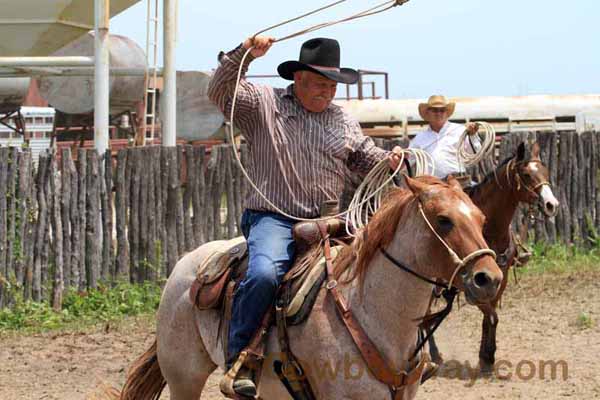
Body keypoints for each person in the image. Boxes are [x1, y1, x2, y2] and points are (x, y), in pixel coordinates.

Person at [208, 36, 402, 397]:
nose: (327, 93)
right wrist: (245, 53)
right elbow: (220, 91)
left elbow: (363, 156)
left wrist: (390, 160)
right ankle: (241, 357)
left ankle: (394, 353)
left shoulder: (341, 119)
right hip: (275, 219)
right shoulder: (264, 105)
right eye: (320, 84)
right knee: (265, 273)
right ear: (298, 79)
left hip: (332, 221)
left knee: (383, 267)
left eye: (332, 86)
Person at [409, 95, 480, 179]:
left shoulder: (460, 130)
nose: (438, 113)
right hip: (432, 184)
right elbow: (407, 161)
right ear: (428, 112)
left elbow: (476, 153)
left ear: (446, 113)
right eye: (435, 110)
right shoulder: (419, 138)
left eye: (442, 110)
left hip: (458, 180)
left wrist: (472, 136)